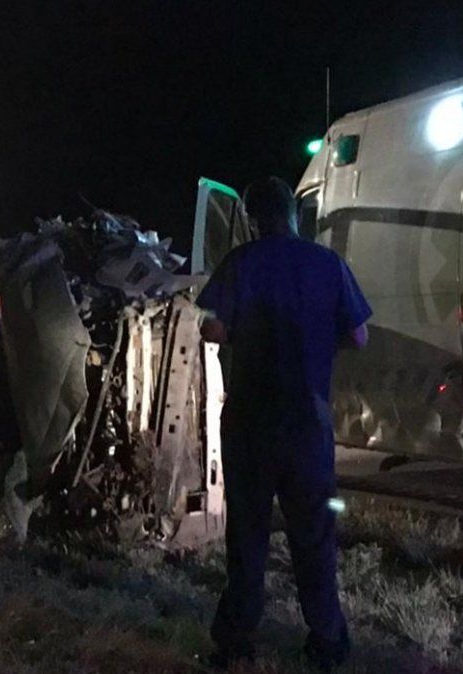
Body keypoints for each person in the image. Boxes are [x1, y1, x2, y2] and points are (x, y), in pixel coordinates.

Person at [196, 177, 371, 670]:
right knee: (314, 536)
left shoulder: (240, 262)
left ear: (252, 219)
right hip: (306, 424)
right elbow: (359, 336)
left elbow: (214, 329)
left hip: (250, 424)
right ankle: (328, 641)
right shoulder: (327, 264)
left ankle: (235, 643)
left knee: (248, 536)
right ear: (294, 214)